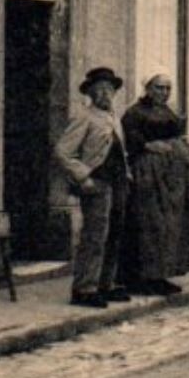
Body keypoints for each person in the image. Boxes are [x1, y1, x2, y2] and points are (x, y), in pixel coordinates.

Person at [119, 73, 189, 296]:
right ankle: (142, 277)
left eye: (167, 88)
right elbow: (130, 140)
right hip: (147, 173)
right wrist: (148, 146)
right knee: (150, 223)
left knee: (169, 225)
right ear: (147, 88)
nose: (163, 93)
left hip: (171, 177)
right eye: (158, 88)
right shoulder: (134, 113)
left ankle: (161, 275)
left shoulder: (168, 111)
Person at [55, 66, 132, 308]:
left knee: (115, 234)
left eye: (109, 90)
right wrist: (83, 177)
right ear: (90, 94)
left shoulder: (114, 118)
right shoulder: (84, 117)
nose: (105, 95)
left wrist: (127, 174)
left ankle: (105, 284)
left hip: (118, 183)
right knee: (95, 236)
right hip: (97, 184)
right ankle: (84, 288)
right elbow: (62, 152)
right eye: (99, 90)